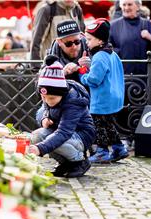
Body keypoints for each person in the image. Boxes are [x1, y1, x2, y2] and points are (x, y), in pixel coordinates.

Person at [28, 55, 95, 178]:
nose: (48, 101)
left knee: (54, 141)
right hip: (60, 131)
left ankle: (80, 161)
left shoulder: (73, 101)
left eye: (52, 98)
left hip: (80, 135)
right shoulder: (49, 94)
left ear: (62, 94)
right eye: (44, 98)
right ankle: (65, 162)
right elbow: (41, 111)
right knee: (37, 136)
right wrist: (44, 118)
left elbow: (64, 132)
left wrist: (41, 148)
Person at [80, 18, 129, 163]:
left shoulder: (99, 56)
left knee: (99, 126)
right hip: (113, 97)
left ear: (100, 41)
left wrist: (83, 76)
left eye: (89, 39)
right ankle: (119, 148)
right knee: (108, 125)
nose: (87, 42)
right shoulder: (111, 53)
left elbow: (94, 79)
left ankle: (102, 152)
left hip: (102, 99)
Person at [109, 0, 151, 75]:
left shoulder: (148, 25)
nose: (126, 7)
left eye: (129, 4)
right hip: (122, 73)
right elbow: (107, 47)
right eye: (124, 5)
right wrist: (121, 52)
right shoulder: (113, 26)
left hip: (144, 76)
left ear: (138, 7)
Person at [30, 0, 85, 65]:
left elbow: (82, 37)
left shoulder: (77, 9)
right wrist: (36, 67)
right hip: (52, 65)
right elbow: (36, 42)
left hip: (75, 65)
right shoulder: (47, 9)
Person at [48, 19, 89, 83]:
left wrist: (91, 67)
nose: (74, 46)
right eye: (68, 44)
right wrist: (61, 73)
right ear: (59, 42)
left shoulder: (91, 46)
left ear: (80, 36)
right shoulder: (51, 56)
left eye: (77, 42)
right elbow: (40, 85)